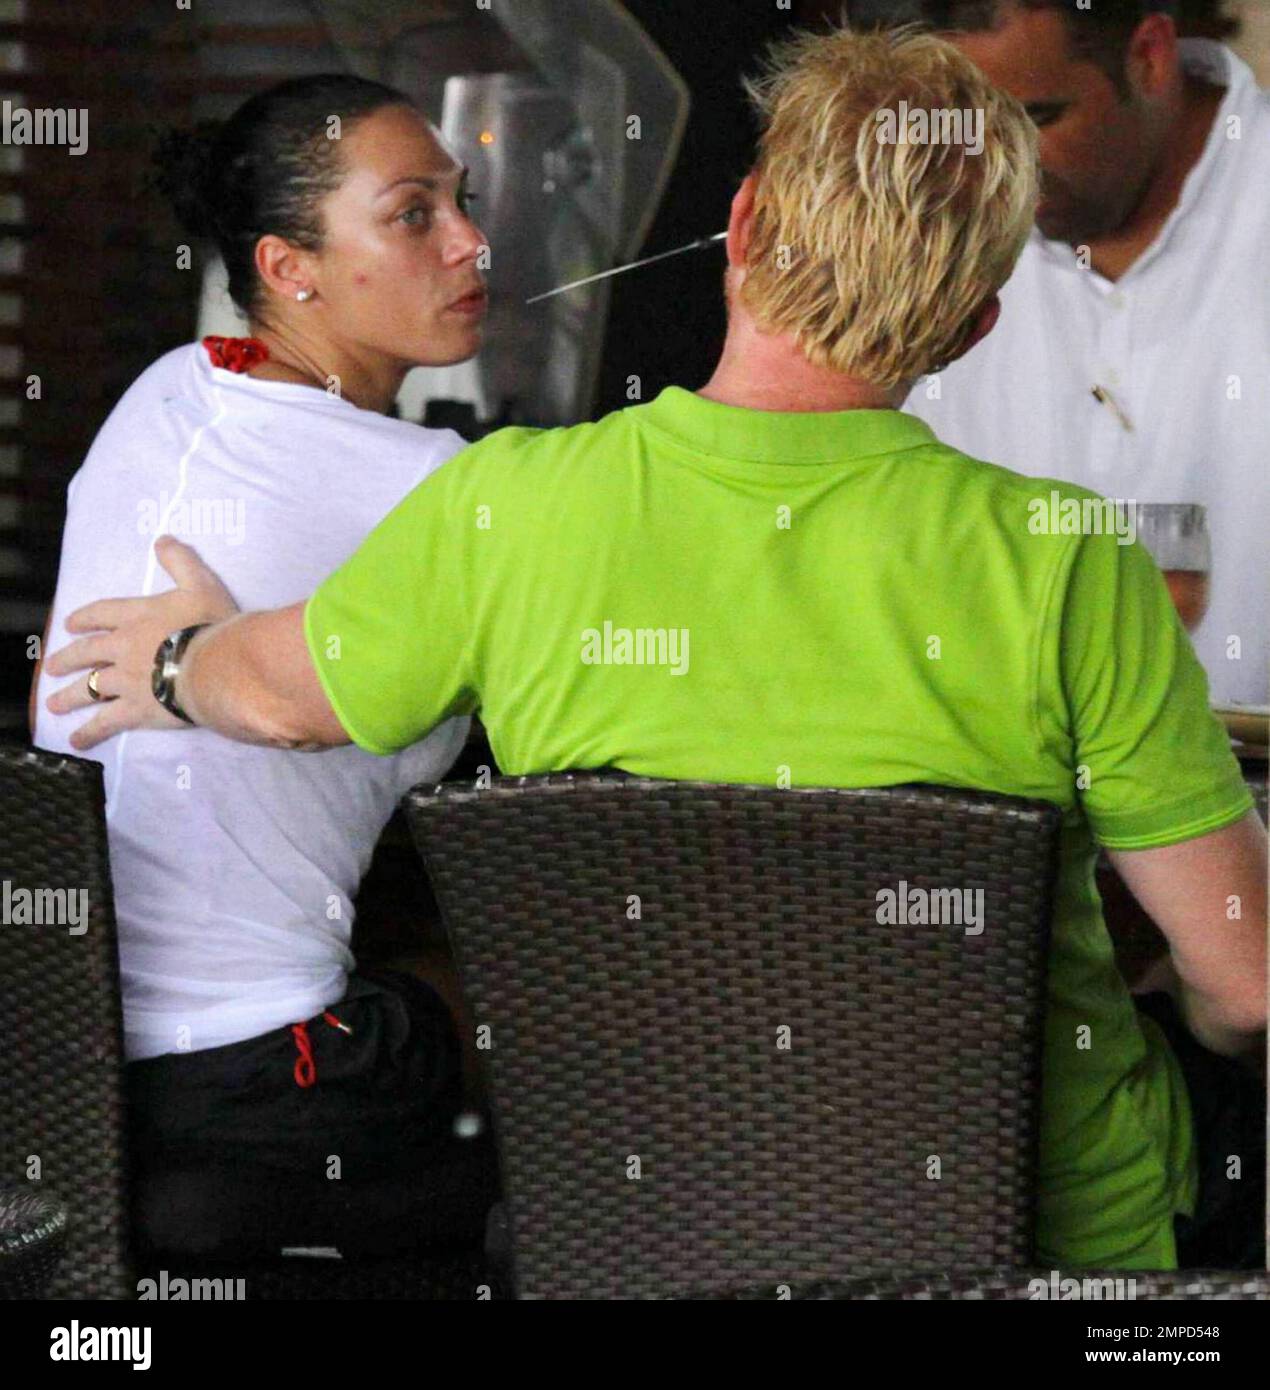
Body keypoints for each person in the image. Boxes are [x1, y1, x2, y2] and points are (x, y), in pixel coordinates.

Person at [45, 27, 1266, 1270]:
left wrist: (168, 663)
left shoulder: (504, 507)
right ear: (971, 322)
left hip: (642, 1234)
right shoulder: (1070, 561)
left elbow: (278, 694)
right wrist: (1182, 1027)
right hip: (1027, 1247)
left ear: (739, 226)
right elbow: (1250, 982)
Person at [32, 74, 500, 1258]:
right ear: (289, 268)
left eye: (463, 200)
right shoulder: (438, 494)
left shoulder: (165, 392)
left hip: (57, 1070)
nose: (470, 241)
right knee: (545, 1004)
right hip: (260, 1081)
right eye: (413, 215)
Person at [890, 0, 1269, 708]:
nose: (994, 170)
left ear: (1149, 56)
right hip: (1003, 790)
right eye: (965, 128)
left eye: (1035, 119)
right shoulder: (938, 226)